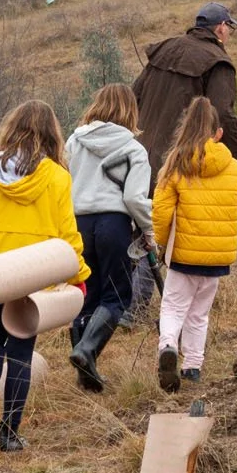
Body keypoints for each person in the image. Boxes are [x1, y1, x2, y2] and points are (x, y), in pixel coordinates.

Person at [0, 100, 89, 452]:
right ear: (51, 134)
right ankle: (9, 433)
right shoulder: (57, 177)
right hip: (31, 274)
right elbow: (67, 233)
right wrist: (79, 273)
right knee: (21, 350)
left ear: (11, 129)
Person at [150, 96, 237, 392]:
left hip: (184, 254)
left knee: (174, 307)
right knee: (199, 313)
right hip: (218, 257)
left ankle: (168, 345)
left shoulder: (176, 163)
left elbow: (162, 211)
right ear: (218, 133)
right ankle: (192, 366)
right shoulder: (232, 166)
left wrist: (162, 244)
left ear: (185, 128)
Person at [63, 83, 153, 392]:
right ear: (130, 110)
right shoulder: (133, 149)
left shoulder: (74, 141)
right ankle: (86, 351)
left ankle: (85, 371)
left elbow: (65, 179)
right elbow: (134, 198)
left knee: (88, 294)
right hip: (113, 223)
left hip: (78, 224)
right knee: (117, 295)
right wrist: (149, 230)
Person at [131, 3, 237, 180]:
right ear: (221, 27)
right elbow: (223, 114)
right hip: (179, 164)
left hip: (137, 159)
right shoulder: (218, 61)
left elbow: (133, 98)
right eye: (230, 27)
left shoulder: (166, 49)